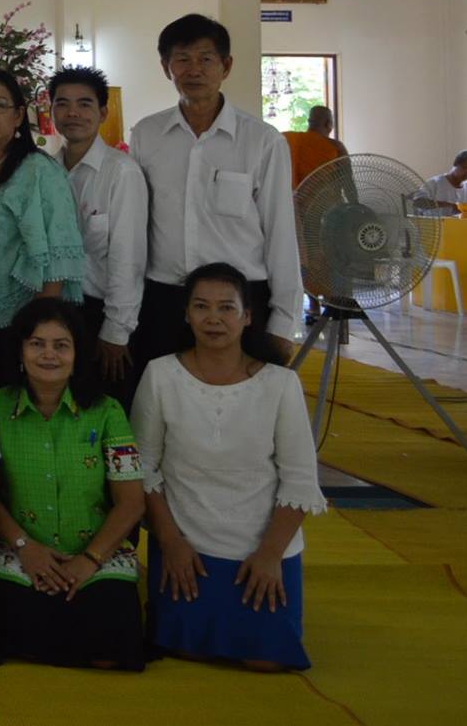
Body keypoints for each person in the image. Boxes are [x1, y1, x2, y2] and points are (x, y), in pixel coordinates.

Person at [133, 264, 326, 671]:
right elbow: (143, 469)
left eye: (226, 307)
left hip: (261, 548)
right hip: (187, 549)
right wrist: (170, 543)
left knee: (266, 663)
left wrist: (270, 554)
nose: (214, 318)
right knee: (186, 651)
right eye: (201, 306)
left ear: (248, 316)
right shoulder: (160, 375)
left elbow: (300, 481)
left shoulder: (280, 384)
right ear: (186, 314)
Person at [0, 298, 146, 671]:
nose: (48, 355)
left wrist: (89, 561)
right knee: (9, 636)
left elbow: (131, 502)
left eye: (61, 345)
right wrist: (25, 548)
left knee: (113, 649)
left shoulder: (108, 411)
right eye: (37, 344)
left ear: (78, 354)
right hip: (19, 551)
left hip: (97, 553)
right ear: (20, 352)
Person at [129, 14, 302, 364]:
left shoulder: (262, 141)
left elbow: (281, 231)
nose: (194, 70)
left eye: (206, 59)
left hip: (240, 299)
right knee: (161, 392)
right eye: (182, 59)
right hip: (165, 298)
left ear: (226, 66)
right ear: (166, 67)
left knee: (241, 394)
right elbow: (134, 227)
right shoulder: (146, 134)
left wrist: (285, 321)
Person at [0, 70, 83, 392]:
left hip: (22, 325)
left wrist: (35, 329)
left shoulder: (38, 171)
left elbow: (58, 254)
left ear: (18, 116)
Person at [50, 67, 149, 407]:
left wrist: (116, 330)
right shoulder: (47, 170)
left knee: (104, 409)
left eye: (84, 104)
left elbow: (128, 257)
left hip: (101, 313)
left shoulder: (121, 172)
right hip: (57, 309)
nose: (72, 113)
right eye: (62, 104)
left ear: (103, 112)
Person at [283, 106, 347, 194]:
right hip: (328, 201)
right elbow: (348, 181)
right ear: (329, 124)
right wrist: (355, 201)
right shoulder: (336, 146)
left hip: (294, 201)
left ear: (309, 121)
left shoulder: (287, 140)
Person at [417, 150, 467, 214]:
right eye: (465, 168)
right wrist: (450, 205)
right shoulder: (434, 183)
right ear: (455, 164)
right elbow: (417, 202)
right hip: (435, 225)